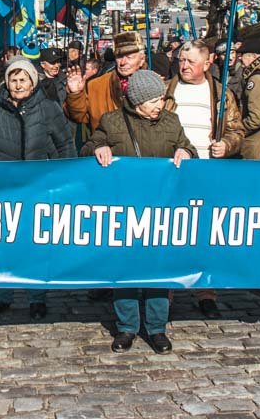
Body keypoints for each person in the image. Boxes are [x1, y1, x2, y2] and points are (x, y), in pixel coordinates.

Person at [85, 69, 195, 354]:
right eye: (154, 99)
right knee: (126, 271)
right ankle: (127, 327)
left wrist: (187, 153)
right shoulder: (112, 122)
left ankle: (157, 328)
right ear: (137, 100)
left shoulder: (171, 122)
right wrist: (99, 147)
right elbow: (89, 145)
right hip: (124, 209)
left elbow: (187, 146)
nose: (160, 104)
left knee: (158, 270)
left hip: (161, 210)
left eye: (161, 98)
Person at [0, 57, 75, 319]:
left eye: (23, 80)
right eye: (13, 79)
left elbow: (65, 144)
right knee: (4, 243)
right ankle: (2, 295)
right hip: (5, 186)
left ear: (33, 82)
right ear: (6, 82)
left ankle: (36, 296)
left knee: (35, 243)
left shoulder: (49, 108)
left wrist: (65, 178)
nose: (18, 85)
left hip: (39, 185)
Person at [163, 39, 245, 319]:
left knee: (205, 233)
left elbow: (237, 130)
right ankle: (168, 291)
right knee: (172, 233)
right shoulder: (167, 91)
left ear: (207, 64)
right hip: (174, 170)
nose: (184, 66)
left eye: (191, 62)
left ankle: (206, 292)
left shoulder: (221, 95)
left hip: (208, 170)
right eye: (181, 61)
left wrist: (227, 145)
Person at [65, 31, 148, 133]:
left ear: (142, 59)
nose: (123, 62)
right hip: (106, 146)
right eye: (119, 57)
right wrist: (76, 94)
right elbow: (79, 117)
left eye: (129, 57)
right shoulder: (96, 86)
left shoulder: (154, 85)